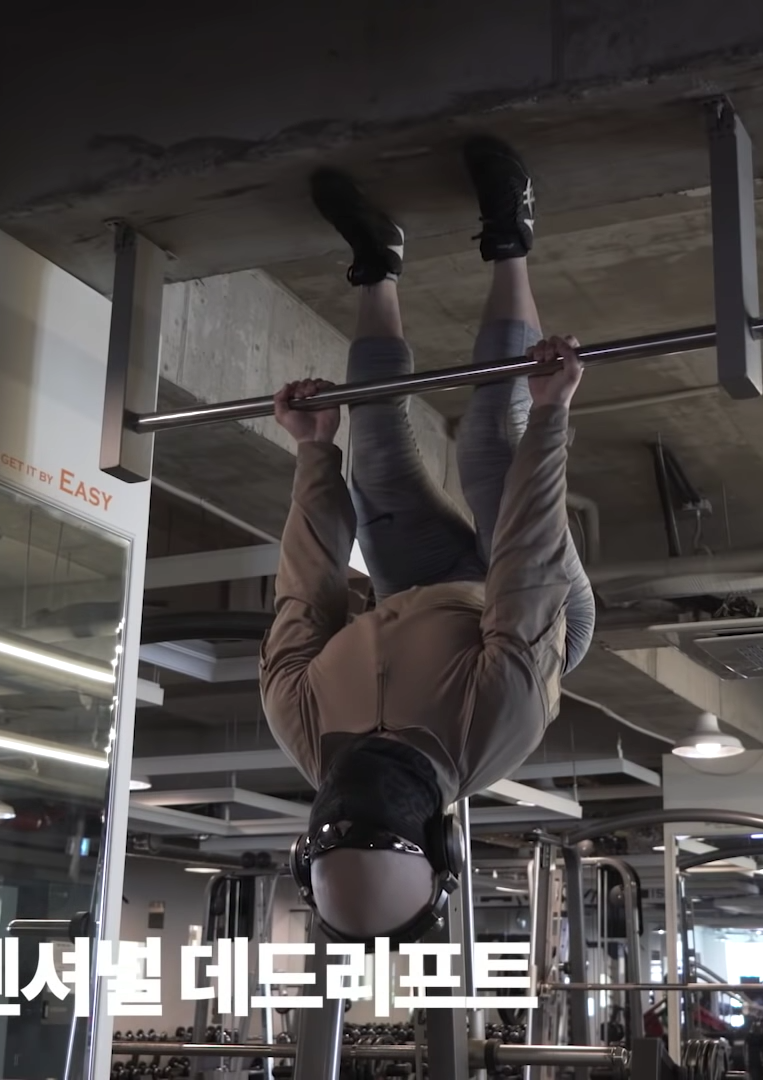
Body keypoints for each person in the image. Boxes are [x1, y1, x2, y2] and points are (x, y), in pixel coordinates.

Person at [260, 136, 597, 943]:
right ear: (441, 837)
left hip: (413, 594)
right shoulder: (498, 723)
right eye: (378, 818)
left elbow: (309, 585)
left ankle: (378, 261)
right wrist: (551, 413)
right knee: (493, 437)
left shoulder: (299, 719)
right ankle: (510, 236)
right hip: (529, 611)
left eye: (342, 817)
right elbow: (527, 559)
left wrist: (314, 450)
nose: (360, 795)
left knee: (374, 447)